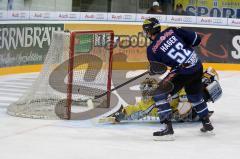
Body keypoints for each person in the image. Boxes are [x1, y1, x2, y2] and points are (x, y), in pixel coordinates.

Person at [142, 17, 215, 138]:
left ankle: (167, 128)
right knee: (194, 95)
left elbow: (160, 69)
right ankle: (207, 124)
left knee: (159, 94)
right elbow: (197, 39)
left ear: (148, 32)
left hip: (183, 71)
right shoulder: (172, 31)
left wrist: (152, 69)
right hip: (196, 65)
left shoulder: (151, 50)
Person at [99, 67, 221, 124]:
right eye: (144, 92)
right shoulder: (147, 104)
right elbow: (136, 110)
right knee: (185, 107)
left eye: (148, 92)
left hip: (188, 100)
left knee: (205, 79)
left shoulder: (166, 88)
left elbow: (181, 87)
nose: (146, 95)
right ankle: (197, 114)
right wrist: (121, 114)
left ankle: (198, 109)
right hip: (183, 112)